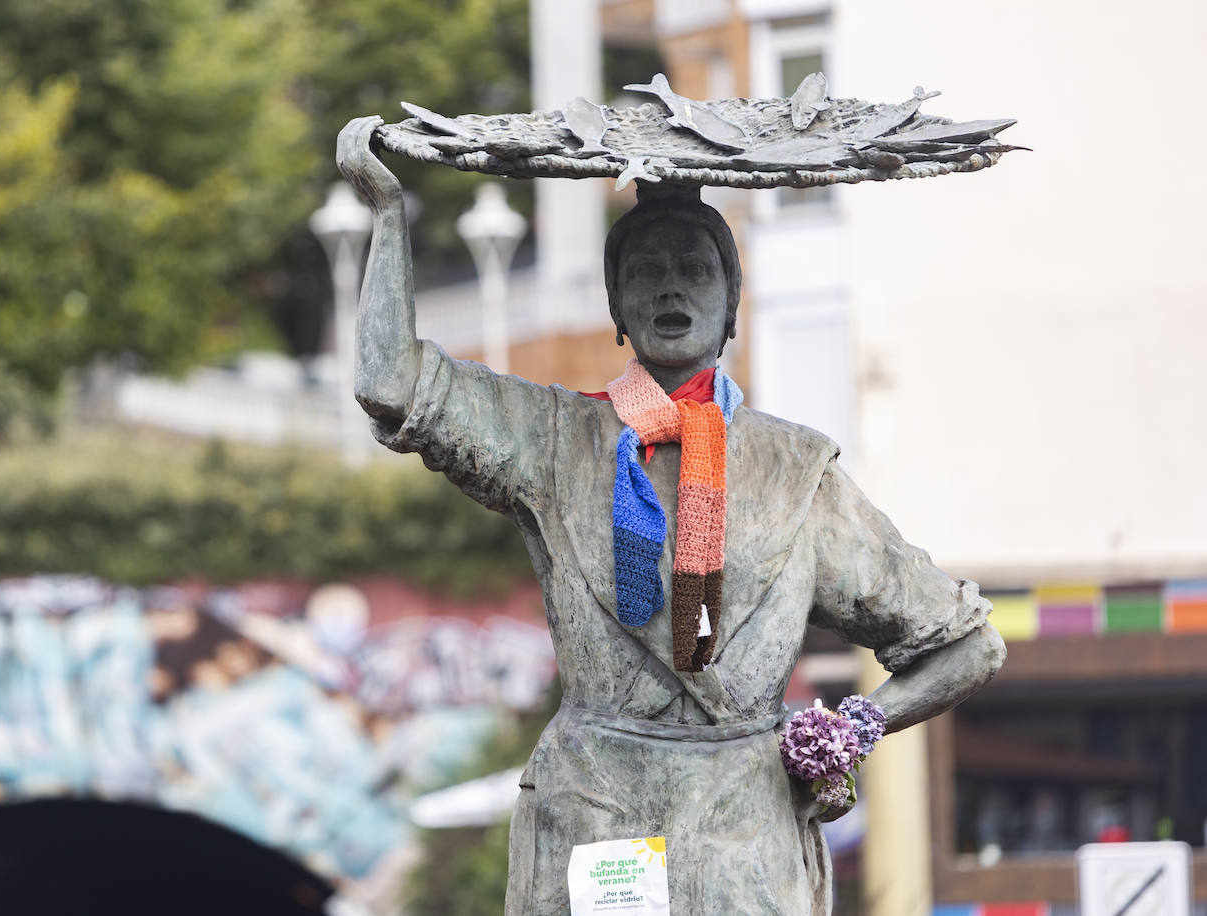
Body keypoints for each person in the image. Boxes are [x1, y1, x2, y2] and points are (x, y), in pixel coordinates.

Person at [337, 115, 1006, 915]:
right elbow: (391, 383)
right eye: (646, 269)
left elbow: (964, 647)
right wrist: (386, 213)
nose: (671, 286)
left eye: (696, 268)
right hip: (596, 819)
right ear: (616, 306)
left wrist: (852, 727)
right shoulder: (553, 439)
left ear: (732, 309)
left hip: (745, 837)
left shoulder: (796, 471)